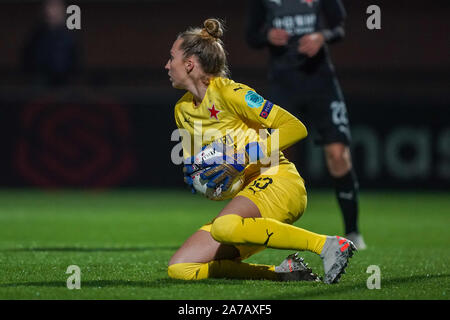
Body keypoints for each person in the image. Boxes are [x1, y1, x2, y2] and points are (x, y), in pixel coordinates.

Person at [165, 18, 356, 284]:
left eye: (171, 57)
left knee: (224, 227)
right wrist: (201, 180)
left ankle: (328, 245)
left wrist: (240, 160)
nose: (167, 65)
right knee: (181, 267)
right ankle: (283, 274)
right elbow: (211, 169)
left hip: (279, 180)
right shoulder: (182, 110)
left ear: (189, 64)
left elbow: (295, 127)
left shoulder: (231, 93)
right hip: (249, 195)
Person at [245, 0, 366, 249]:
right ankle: (271, 228)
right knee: (275, 158)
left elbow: (339, 27)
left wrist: (322, 36)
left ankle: (353, 231)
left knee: (338, 155)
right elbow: (251, 36)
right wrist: (267, 35)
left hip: (320, 83)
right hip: (283, 84)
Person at [22, 0, 81, 86]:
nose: (52, 12)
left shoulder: (70, 37)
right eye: (49, 7)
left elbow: (75, 64)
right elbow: (28, 61)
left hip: (64, 86)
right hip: (39, 84)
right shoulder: (36, 35)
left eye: (56, 8)